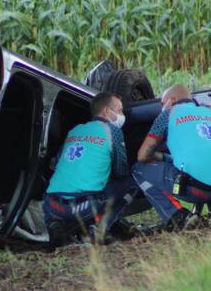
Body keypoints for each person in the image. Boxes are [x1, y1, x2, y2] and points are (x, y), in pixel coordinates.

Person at [131, 85, 211, 231]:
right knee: (210, 165)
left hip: (195, 189)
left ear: (172, 100)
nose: (162, 106)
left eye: (163, 103)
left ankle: (177, 216)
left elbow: (142, 156)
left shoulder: (167, 115)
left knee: (138, 168)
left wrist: (157, 155)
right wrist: (165, 156)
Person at [42, 92, 140, 245]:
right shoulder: (112, 131)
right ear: (107, 111)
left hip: (52, 204)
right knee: (131, 182)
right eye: (120, 110)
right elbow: (121, 171)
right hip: (86, 206)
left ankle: (56, 225)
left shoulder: (74, 130)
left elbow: (54, 164)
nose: (122, 115)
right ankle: (100, 228)